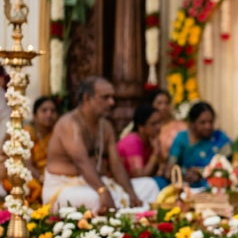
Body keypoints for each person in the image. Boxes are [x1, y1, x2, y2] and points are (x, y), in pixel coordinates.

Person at [43, 77, 160, 214]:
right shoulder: (69, 124)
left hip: (95, 183)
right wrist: (103, 191)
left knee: (149, 185)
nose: (112, 102)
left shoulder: (105, 126)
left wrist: (132, 194)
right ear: (87, 98)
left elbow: (116, 165)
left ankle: (139, 227)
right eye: (106, 97)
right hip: (64, 187)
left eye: (112, 97)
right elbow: (82, 163)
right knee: (96, 199)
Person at [0, 96, 58, 203]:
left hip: (52, 175)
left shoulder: (58, 132)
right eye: (44, 110)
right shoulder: (26, 133)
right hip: (30, 174)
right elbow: (27, 165)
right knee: (35, 188)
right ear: (34, 115)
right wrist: (42, 179)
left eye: (53, 111)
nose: (49, 114)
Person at [164, 102, 231, 188]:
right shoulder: (182, 138)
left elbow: (226, 167)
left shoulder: (219, 138)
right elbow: (171, 167)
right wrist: (184, 173)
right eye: (203, 123)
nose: (208, 126)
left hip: (212, 186)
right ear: (192, 123)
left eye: (211, 122)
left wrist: (201, 172)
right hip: (185, 186)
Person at [116, 104, 167, 190]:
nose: (158, 127)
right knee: (158, 183)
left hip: (139, 185)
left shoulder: (151, 141)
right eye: (153, 124)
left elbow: (158, 171)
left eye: (159, 122)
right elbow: (140, 176)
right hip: (123, 186)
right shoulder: (132, 141)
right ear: (141, 127)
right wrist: (155, 153)